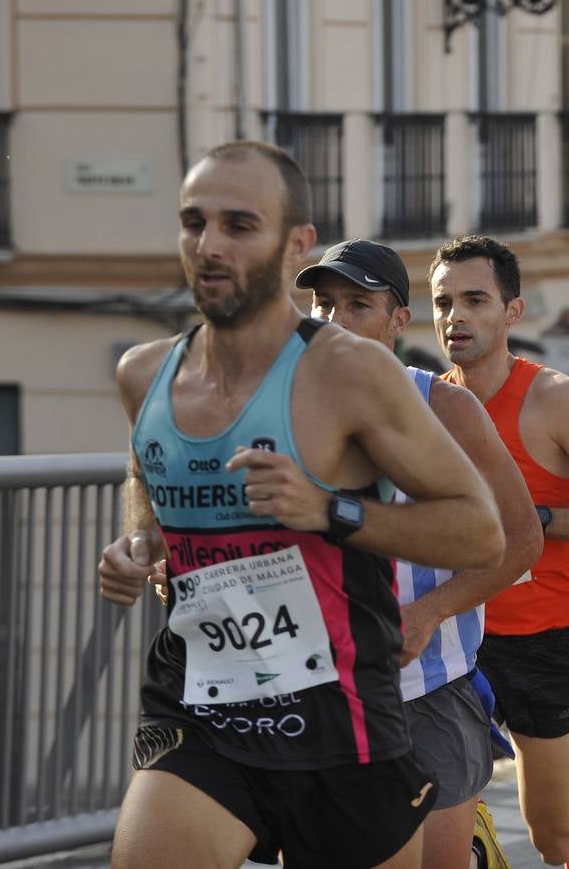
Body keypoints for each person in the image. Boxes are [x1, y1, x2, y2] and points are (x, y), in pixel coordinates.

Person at [96, 141, 504, 869]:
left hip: (341, 721)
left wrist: (329, 511)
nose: (209, 245)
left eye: (239, 225)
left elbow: (480, 533)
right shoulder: (144, 373)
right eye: (194, 222)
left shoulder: (350, 373)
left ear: (295, 244)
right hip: (201, 707)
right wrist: (139, 542)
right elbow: (144, 465)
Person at [294, 238, 540, 869]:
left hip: (426, 687)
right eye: (322, 304)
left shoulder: (445, 407)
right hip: (320, 691)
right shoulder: (282, 411)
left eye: (356, 304)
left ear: (398, 321)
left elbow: (521, 541)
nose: (333, 320)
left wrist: (429, 612)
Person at [430, 235, 569, 869]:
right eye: (443, 301)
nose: (456, 316)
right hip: (451, 640)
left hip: (548, 634)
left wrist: (531, 519)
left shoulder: (557, 398)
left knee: (557, 835)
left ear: (513, 312)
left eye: (475, 300)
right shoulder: (423, 404)